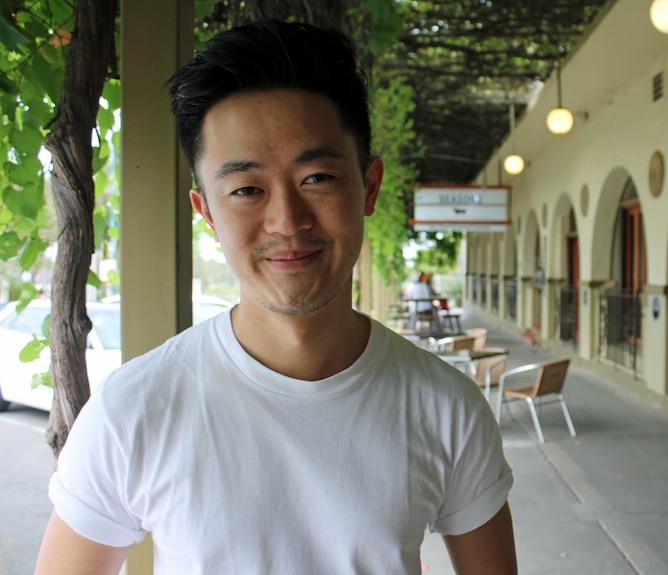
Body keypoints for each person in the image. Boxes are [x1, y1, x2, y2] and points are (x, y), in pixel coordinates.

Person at [35, 20, 515, 575]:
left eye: (318, 178)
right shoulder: (135, 409)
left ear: (370, 186)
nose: (287, 220)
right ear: (207, 213)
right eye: (246, 190)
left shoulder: (447, 408)